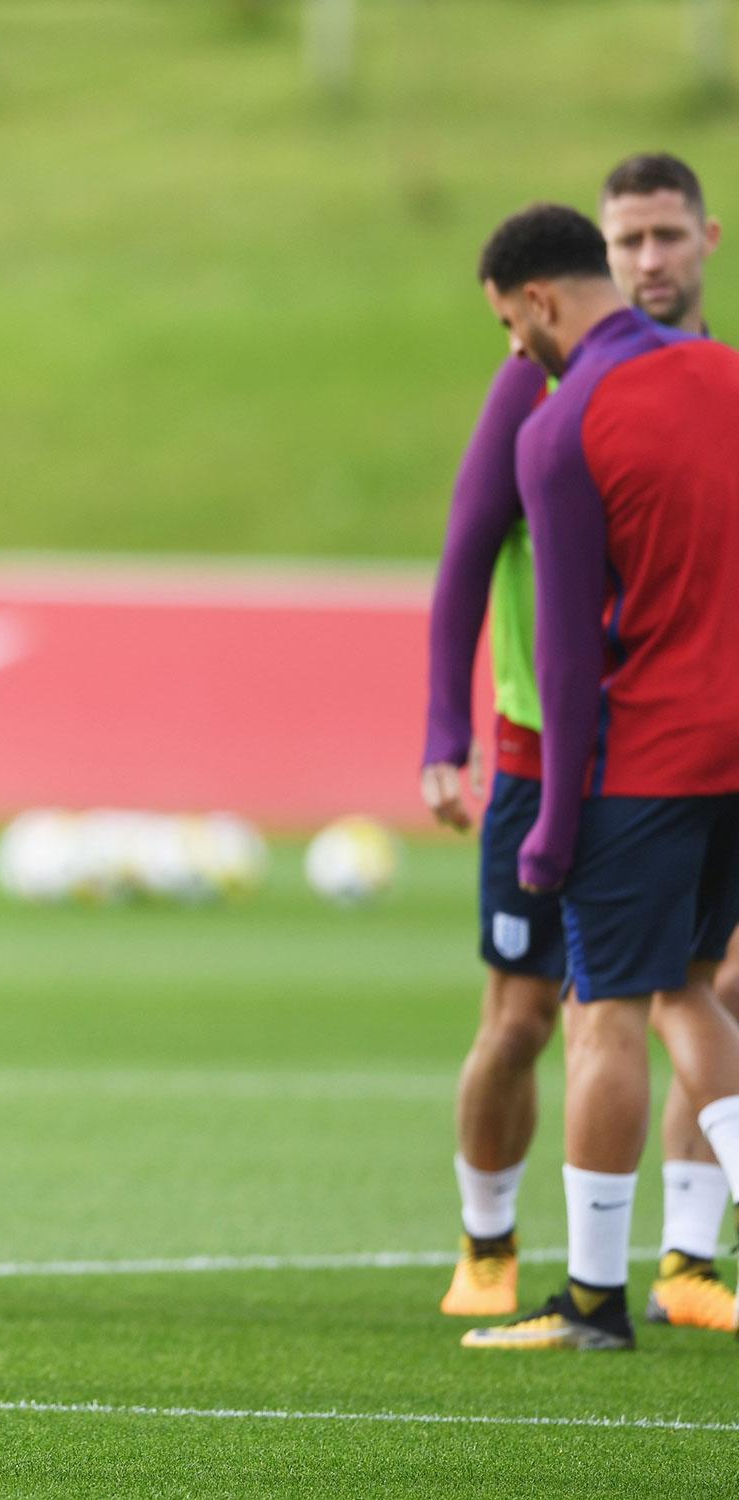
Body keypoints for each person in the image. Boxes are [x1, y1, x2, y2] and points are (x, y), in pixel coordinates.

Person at [420, 153, 734, 1332]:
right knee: (619, 1007)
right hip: (664, 753)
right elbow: (466, 552)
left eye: (663, 237)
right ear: (599, 257)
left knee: (618, 1008)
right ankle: (498, 1246)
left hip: (629, 761)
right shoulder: (696, 379)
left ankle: (626, 1284)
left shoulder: (589, 415)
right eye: (627, 240)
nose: (512, 354)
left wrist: (556, 824)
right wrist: (444, 729)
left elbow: (567, 647)